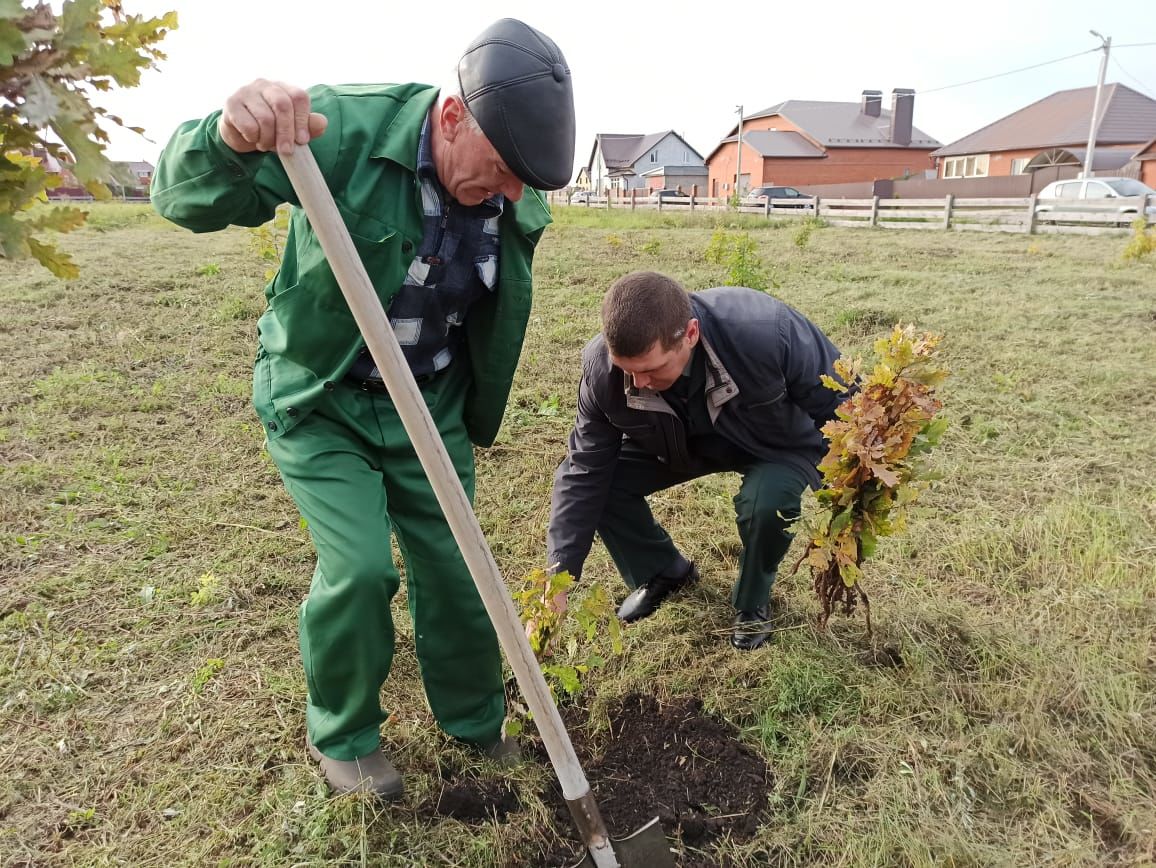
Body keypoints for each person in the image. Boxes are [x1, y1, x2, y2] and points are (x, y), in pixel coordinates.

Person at [151, 19, 575, 798]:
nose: (514, 194)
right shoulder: (337, 129)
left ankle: (477, 720)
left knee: (460, 568)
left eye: (529, 181)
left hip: (429, 402)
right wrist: (224, 136)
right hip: (324, 396)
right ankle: (345, 738)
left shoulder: (516, 200)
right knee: (359, 571)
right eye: (504, 168)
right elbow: (183, 197)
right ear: (452, 117)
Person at [546, 271, 844, 651]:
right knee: (605, 485)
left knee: (766, 506)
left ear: (690, 334)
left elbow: (843, 403)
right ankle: (662, 571)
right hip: (675, 443)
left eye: (651, 369)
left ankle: (752, 601)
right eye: (627, 370)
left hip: (774, 443)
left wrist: (851, 486)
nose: (636, 383)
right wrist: (558, 580)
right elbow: (584, 470)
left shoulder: (766, 331)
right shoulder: (602, 372)